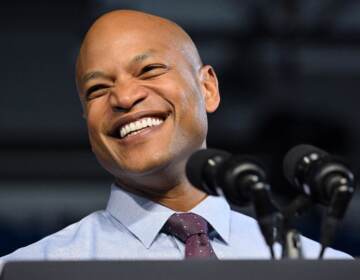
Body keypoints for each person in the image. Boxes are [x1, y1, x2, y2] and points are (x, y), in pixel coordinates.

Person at [0, 10, 351, 261]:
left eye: (149, 69)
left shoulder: (320, 267)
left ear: (208, 88)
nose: (123, 98)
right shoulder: (30, 270)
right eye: (97, 89)